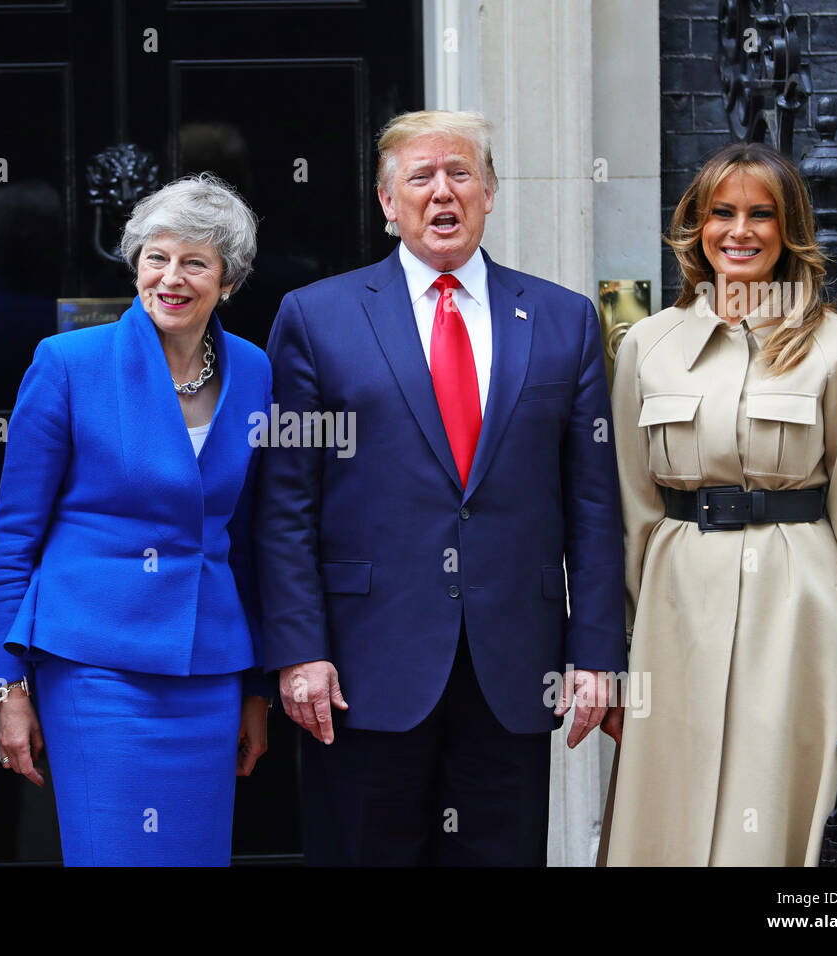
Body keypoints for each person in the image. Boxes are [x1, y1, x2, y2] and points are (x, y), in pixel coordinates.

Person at [255, 110, 626, 866]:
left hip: (515, 668)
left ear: (489, 193)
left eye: (460, 174)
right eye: (420, 178)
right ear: (388, 204)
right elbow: (285, 502)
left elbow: (593, 505)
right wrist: (299, 649)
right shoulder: (316, 318)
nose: (442, 193)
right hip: (360, 670)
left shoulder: (564, 320)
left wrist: (596, 653)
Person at [601, 141, 837, 866]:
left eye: (760, 215)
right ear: (697, 226)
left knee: (775, 810)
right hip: (673, 612)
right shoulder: (647, 345)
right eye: (722, 213)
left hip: (798, 609)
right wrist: (616, 659)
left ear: (788, 229)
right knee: (669, 813)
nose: (739, 231)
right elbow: (629, 511)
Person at [0, 173, 272, 867]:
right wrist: (8, 685)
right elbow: (13, 539)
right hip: (95, 667)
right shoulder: (68, 364)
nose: (170, 278)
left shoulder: (257, 371)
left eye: (195, 262)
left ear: (227, 281)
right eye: (155, 257)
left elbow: (252, 538)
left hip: (208, 669)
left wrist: (258, 684)